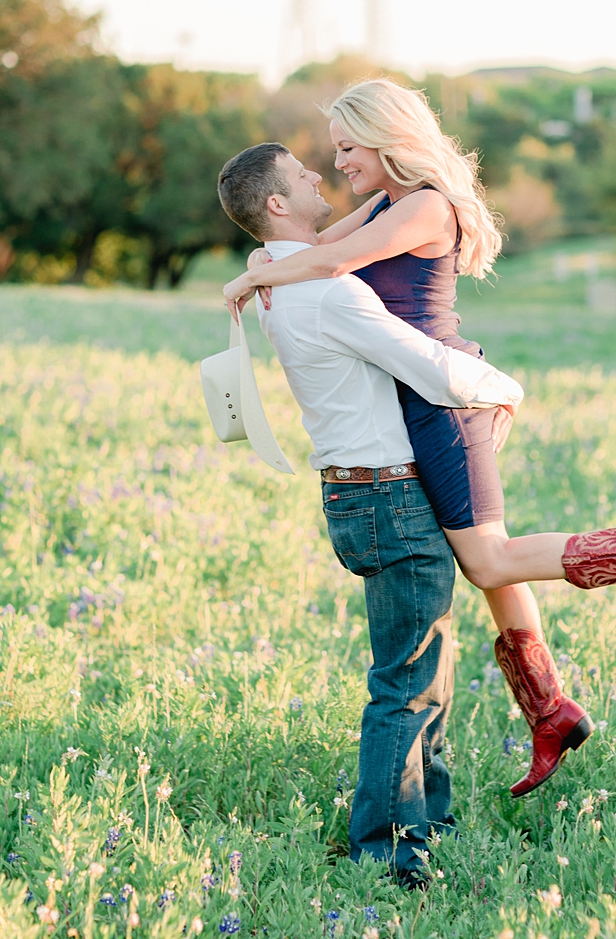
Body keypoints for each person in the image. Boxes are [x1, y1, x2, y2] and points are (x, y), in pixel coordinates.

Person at [222, 83, 616, 799]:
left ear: (386, 137)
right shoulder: (388, 203)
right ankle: (548, 711)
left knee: (487, 561)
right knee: (489, 559)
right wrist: (259, 268)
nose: (338, 162)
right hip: (421, 393)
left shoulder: (424, 204)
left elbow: (327, 266)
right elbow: (317, 245)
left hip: (444, 397)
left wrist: (248, 282)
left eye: (348, 147)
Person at [217, 141, 524, 885]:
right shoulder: (325, 290)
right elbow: (421, 361)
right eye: (302, 176)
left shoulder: (280, 285)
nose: (319, 176)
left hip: (359, 490)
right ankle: (387, 855)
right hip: (386, 491)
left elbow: (335, 252)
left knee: (427, 665)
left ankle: (433, 823)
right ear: (278, 204)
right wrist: (506, 386)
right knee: (407, 680)